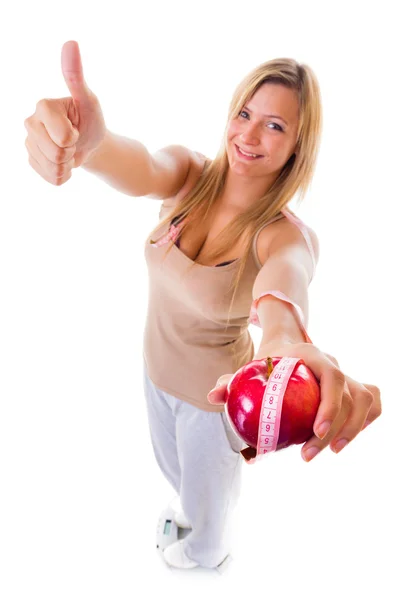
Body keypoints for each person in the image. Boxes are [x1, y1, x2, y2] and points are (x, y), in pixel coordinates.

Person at [24, 40, 382, 570]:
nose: (250, 134)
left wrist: (285, 341)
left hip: (211, 406)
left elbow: (284, 288)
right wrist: (92, 147)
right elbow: (143, 164)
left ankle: (205, 556)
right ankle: (194, 506)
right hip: (156, 376)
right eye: (245, 113)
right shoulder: (190, 175)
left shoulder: (282, 237)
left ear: (296, 147)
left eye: (275, 126)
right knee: (179, 476)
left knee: (208, 515)